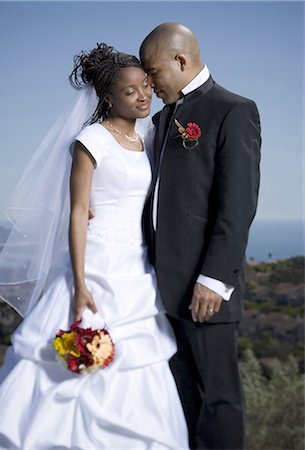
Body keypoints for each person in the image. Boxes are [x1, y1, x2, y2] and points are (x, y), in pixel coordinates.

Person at [0, 43, 189, 450]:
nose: (142, 96)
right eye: (129, 91)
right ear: (107, 97)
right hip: (96, 262)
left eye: (145, 86)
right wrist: (81, 283)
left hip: (137, 267)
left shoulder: (150, 136)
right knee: (70, 367)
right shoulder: (91, 140)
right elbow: (78, 212)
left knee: (139, 366)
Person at [140, 23, 261, 450]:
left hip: (205, 289)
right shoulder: (158, 120)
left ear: (181, 61)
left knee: (219, 400)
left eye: (154, 73)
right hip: (161, 289)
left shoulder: (233, 110)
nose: (148, 84)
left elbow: (238, 204)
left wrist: (213, 278)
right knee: (182, 398)